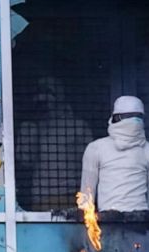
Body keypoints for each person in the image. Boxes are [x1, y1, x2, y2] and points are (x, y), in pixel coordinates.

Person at [16, 76, 93, 210]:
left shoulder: (77, 126)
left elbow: (90, 165)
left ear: (60, 96)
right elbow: (24, 161)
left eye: (49, 92)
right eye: (39, 92)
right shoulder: (30, 127)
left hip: (72, 195)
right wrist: (31, 131)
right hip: (42, 197)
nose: (42, 98)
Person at [80, 95, 149, 212]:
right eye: (128, 116)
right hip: (106, 224)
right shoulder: (96, 148)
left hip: (140, 224)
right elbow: (87, 195)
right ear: (116, 118)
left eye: (138, 116)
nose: (134, 120)